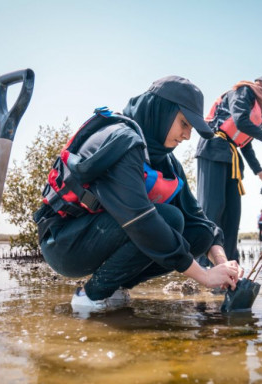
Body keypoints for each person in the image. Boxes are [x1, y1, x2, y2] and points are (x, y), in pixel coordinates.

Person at [33, 76, 243, 313]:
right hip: (64, 243)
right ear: (162, 111)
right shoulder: (122, 140)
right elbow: (141, 221)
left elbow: (199, 220)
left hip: (103, 234)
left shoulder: (167, 160)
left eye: (191, 129)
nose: (187, 136)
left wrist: (223, 264)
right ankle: (89, 296)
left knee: (200, 235)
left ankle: (115, 286)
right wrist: (204, 276)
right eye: (184, 123)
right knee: (169, 219)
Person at [196, 68, 262, 264]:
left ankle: (231, 266)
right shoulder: (243, 92)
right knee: (212, 210)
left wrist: (260, 172)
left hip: (232, 156)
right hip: (213, 148)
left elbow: (245, 144)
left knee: (233, 214)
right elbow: (240, 121)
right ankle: (204, 265)